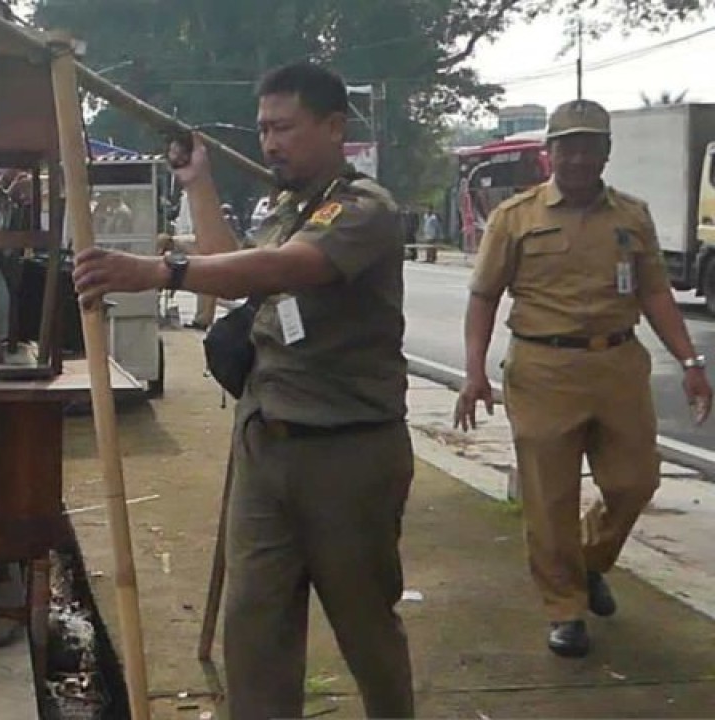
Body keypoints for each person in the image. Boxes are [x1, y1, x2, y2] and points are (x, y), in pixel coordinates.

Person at [73, 62, 414, 719]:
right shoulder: (289, 207)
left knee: (366, 626)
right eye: (262, 129)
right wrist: (198, 182)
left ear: (334, 126)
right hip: (267, 445)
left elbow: (293, 267)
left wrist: (160, 271)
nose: (270, 143)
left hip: (347, 456)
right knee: (254, 630)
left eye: (284, 128)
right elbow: (234, 273)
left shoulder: (364, 209)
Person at [454, 98, 713, 658]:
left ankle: (590, 562)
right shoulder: (515, 217)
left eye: (588, 145)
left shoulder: (632, 216)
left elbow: (654, 294)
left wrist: (692, 364)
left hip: (618, 365)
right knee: (550, 499)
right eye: (565, 146)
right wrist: (474, 372)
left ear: (606, 153)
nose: (576, 157)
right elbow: (482, 298)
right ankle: (565, 609)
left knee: (635, 482)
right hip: (542, 370)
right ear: (549, 153)